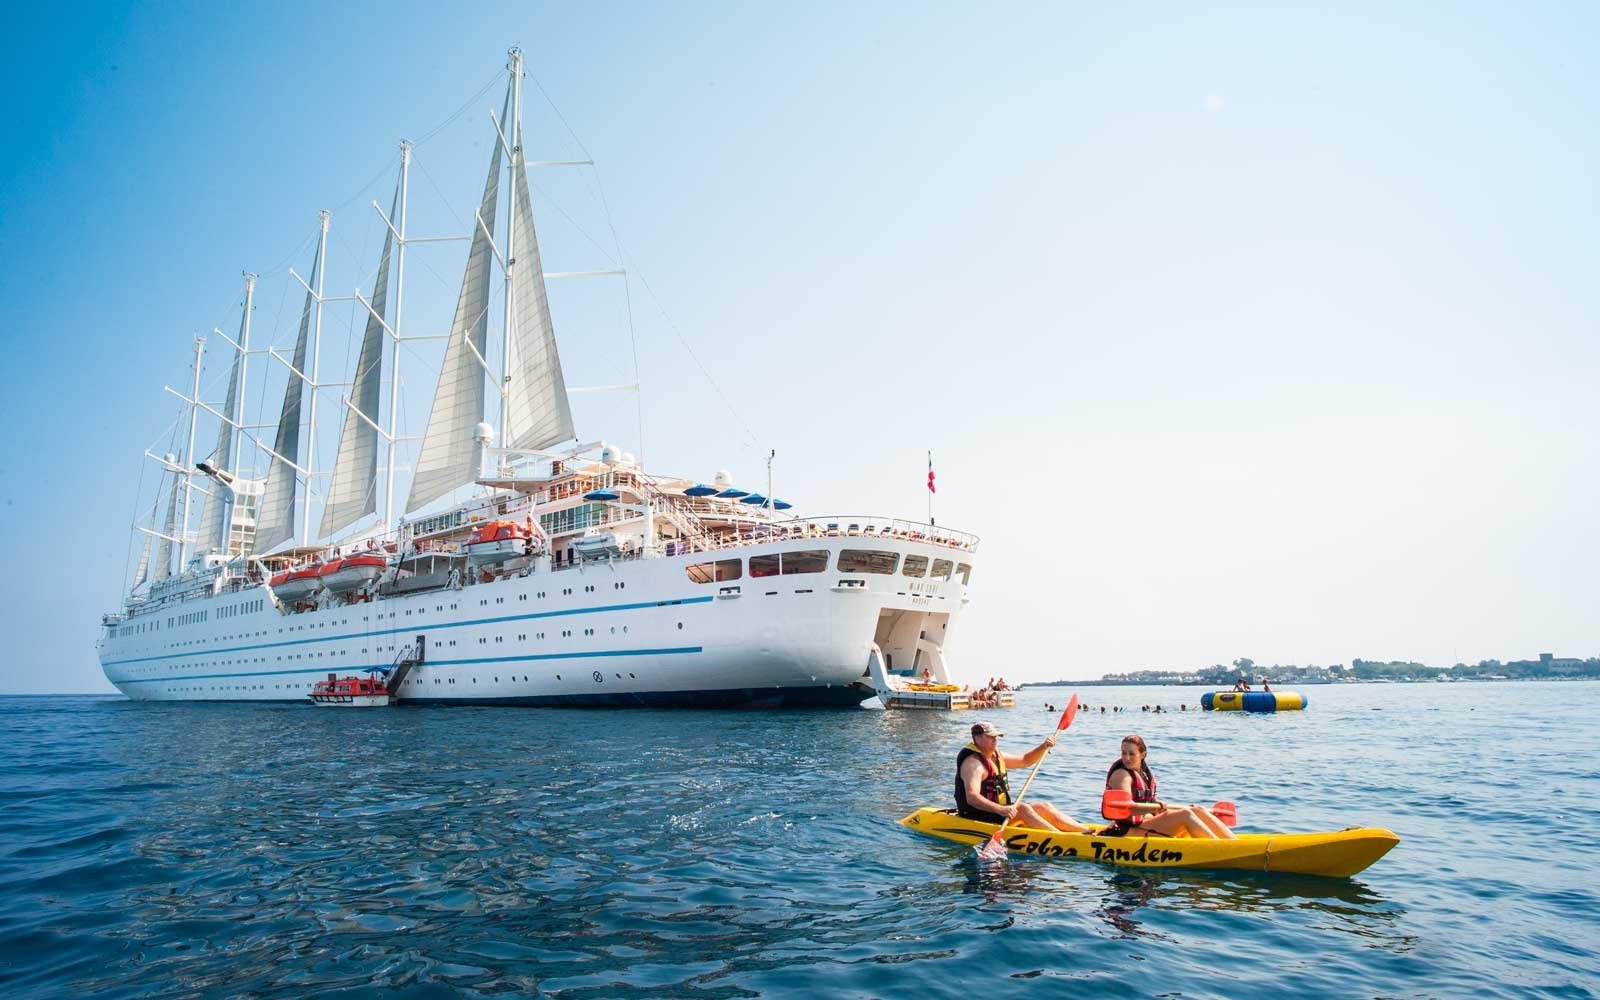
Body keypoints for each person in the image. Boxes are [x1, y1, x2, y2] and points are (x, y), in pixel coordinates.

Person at [956, 722, 1089, 833]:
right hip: (978, 815)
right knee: (1022, 808)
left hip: (997, 813)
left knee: (1043, 806)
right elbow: (972, 797)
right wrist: (1001, 809)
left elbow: (1025, 760)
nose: (995, 740)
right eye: (991, 737)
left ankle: (1086, 832)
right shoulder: (973, 763)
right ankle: (1061, 839)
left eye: (996, 737)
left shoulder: (995, 756)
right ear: (977, 739)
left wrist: (1043, 747)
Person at [1103, 735, 1236, 839]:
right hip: (1127, 832)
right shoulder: (1122, 775)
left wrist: (1157, 805)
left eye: (1131, 754)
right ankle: (1218, 847)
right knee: (1185, 814)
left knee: (1197, 809)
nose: (1126, 758)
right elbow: (1126, 809)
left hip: (1145, 823)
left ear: (1142, 754)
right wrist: (1157, 807)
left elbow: (1148, 803)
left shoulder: (1144, 774)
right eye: (1123, 753)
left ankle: (1231, 842)